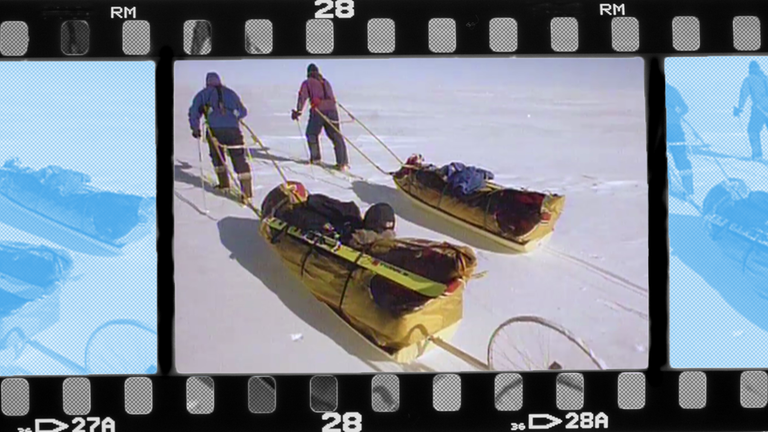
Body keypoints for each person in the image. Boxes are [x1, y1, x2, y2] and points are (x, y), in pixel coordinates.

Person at [188, 72, 252, 202]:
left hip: (214, 131)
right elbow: (243, 111)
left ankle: (224, 185)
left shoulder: (203, 94)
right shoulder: (230, 93)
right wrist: (233, 116)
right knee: (239, 158)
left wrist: (196, 128)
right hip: (233, 130)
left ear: (207, 82)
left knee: (218, 157)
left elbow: (194, 111)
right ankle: (247, 193)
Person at [291, 64, 350, 171]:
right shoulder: (325, 81)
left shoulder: (307, 82)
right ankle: (342, 163)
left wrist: (298, 111)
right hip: (332, 111)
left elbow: (302, 96)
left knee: (311, 134)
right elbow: (331, 97)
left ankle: (316, 159)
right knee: (336, 135)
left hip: (318, 111)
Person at [734, 60, 768, 161]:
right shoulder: (765, 78)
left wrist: (739, 108)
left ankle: (757, 155)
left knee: (753, 130)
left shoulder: (749, 79)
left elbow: (743, 94)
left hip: (759, 110)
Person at [666, 83, 695, 196]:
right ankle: (688, 188)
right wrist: (675, 114)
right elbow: (685, 108)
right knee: (681, 156)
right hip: (675, 127)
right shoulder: (672, 90)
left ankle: (668, 189)